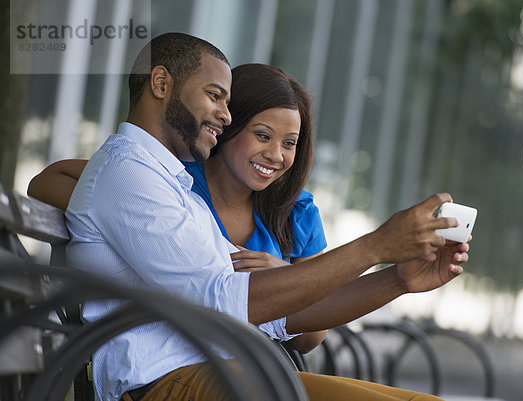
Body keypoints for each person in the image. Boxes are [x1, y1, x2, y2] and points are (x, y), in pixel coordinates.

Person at [29, 32, 468, 401]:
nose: (224, 114)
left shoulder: (175, 190)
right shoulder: (129, 174)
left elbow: (282, 316)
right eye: (215, 96)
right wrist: (374, 245)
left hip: (229, 372)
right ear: (160, 83)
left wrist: (397, 278)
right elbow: (226, 300)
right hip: (165, 381)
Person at [29, 63, 329, 353]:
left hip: (256, 363)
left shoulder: (297, 211)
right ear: (229, 124)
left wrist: (285, 276)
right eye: (262, 136)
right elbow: (49, 181)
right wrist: (138, 217)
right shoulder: (175, 181)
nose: (275, 155)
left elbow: (310, 339)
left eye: (289, 143)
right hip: (184, 361)